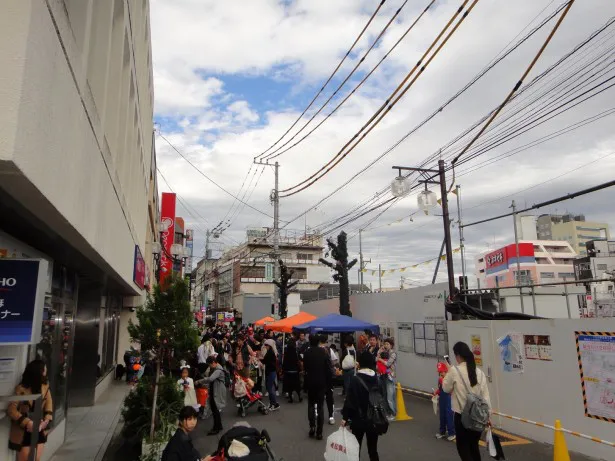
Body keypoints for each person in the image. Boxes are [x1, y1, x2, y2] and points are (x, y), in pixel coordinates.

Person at [442, 342, 491, 461]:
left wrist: (448, 371)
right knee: (474, 447)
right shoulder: (479, 372)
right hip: (478, 417)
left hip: (462, 417)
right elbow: (486, 397)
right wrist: (488, 416)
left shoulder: (454, 371)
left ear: (458, 355)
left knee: (463, 448)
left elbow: (445, 388)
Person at [7, 360, 53, 461]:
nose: (46, 371)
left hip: (39, 427)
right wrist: (28, 423)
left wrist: (46, 421)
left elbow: (49, 406)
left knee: (37, 458)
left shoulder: (45, 387)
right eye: (44, 369)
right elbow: (11, 410)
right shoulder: (21, 389)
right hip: (24, 430)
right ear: (38, 372)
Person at [341, 351, 381, 461]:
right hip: (373, 418)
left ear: (360, 363)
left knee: (356, 448)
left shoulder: (355, 379)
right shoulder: (376, 378)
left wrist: (345, 417)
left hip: (358, 418)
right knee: (373, 450)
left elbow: (349, 400)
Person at [302, 334, 330, 440]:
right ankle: (319, 432)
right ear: (318, 342)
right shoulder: (324, 352)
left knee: (311, 405)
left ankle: (312, 426)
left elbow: (305, 368)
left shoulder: (307, 352)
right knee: (320, 406)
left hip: (310, 381)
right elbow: (327, 368)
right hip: (321, 382)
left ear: (310, 341)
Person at [195, 356, 227, 436]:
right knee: (215, 410)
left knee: (215, 410)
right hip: (214, 391)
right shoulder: (215, 368)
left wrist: (199, 381)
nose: (209, 366)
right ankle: (219, 426)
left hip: (217, 392)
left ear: (213, 362)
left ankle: (216, 428)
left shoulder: (218, 370)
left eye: (209, 364)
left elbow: (211, 379)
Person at [434, 362, 456, 441]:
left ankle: (452, 433)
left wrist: (443, 380)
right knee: (442, 414)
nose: (440, 373)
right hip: (442, 398)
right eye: (439, 372)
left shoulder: (449, 378)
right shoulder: (440, 379)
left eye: (442, 371)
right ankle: (442, 432)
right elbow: (440, 389)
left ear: (446, 371)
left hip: (448, 398)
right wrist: (436, 393)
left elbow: (451, 388)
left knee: (449, 415)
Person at [377, 338, 397, 420]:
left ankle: (393, 413)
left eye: (387, 344)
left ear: (391, 345)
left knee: (390, 396)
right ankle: (387, 413)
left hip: (390, 376)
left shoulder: (393, 353)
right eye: (385, 344)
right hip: (382, 375)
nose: (386, 345)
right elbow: (376, 358)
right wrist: (380, 351)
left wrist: (380, 359)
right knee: (384, 395)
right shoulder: (383, 352)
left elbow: (388, 363)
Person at [319, 335, 336, 425]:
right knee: (329, 397)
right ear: (326, 341)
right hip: (328, 377)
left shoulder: (314, 349)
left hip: (318, 376)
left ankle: (319, 415)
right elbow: (334, 360)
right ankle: (331, 416)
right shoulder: (329, 350)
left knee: (319, 397)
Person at [263, 339, 280, 411]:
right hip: (270, 372)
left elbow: (265, 361)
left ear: (269, 346)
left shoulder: (270, 353)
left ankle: (275, 404)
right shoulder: (270, 352)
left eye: (266, 345)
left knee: (270, 389)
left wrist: (260, 359)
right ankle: (272, 403)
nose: (265, 346)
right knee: (270, 388)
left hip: (271, 372)